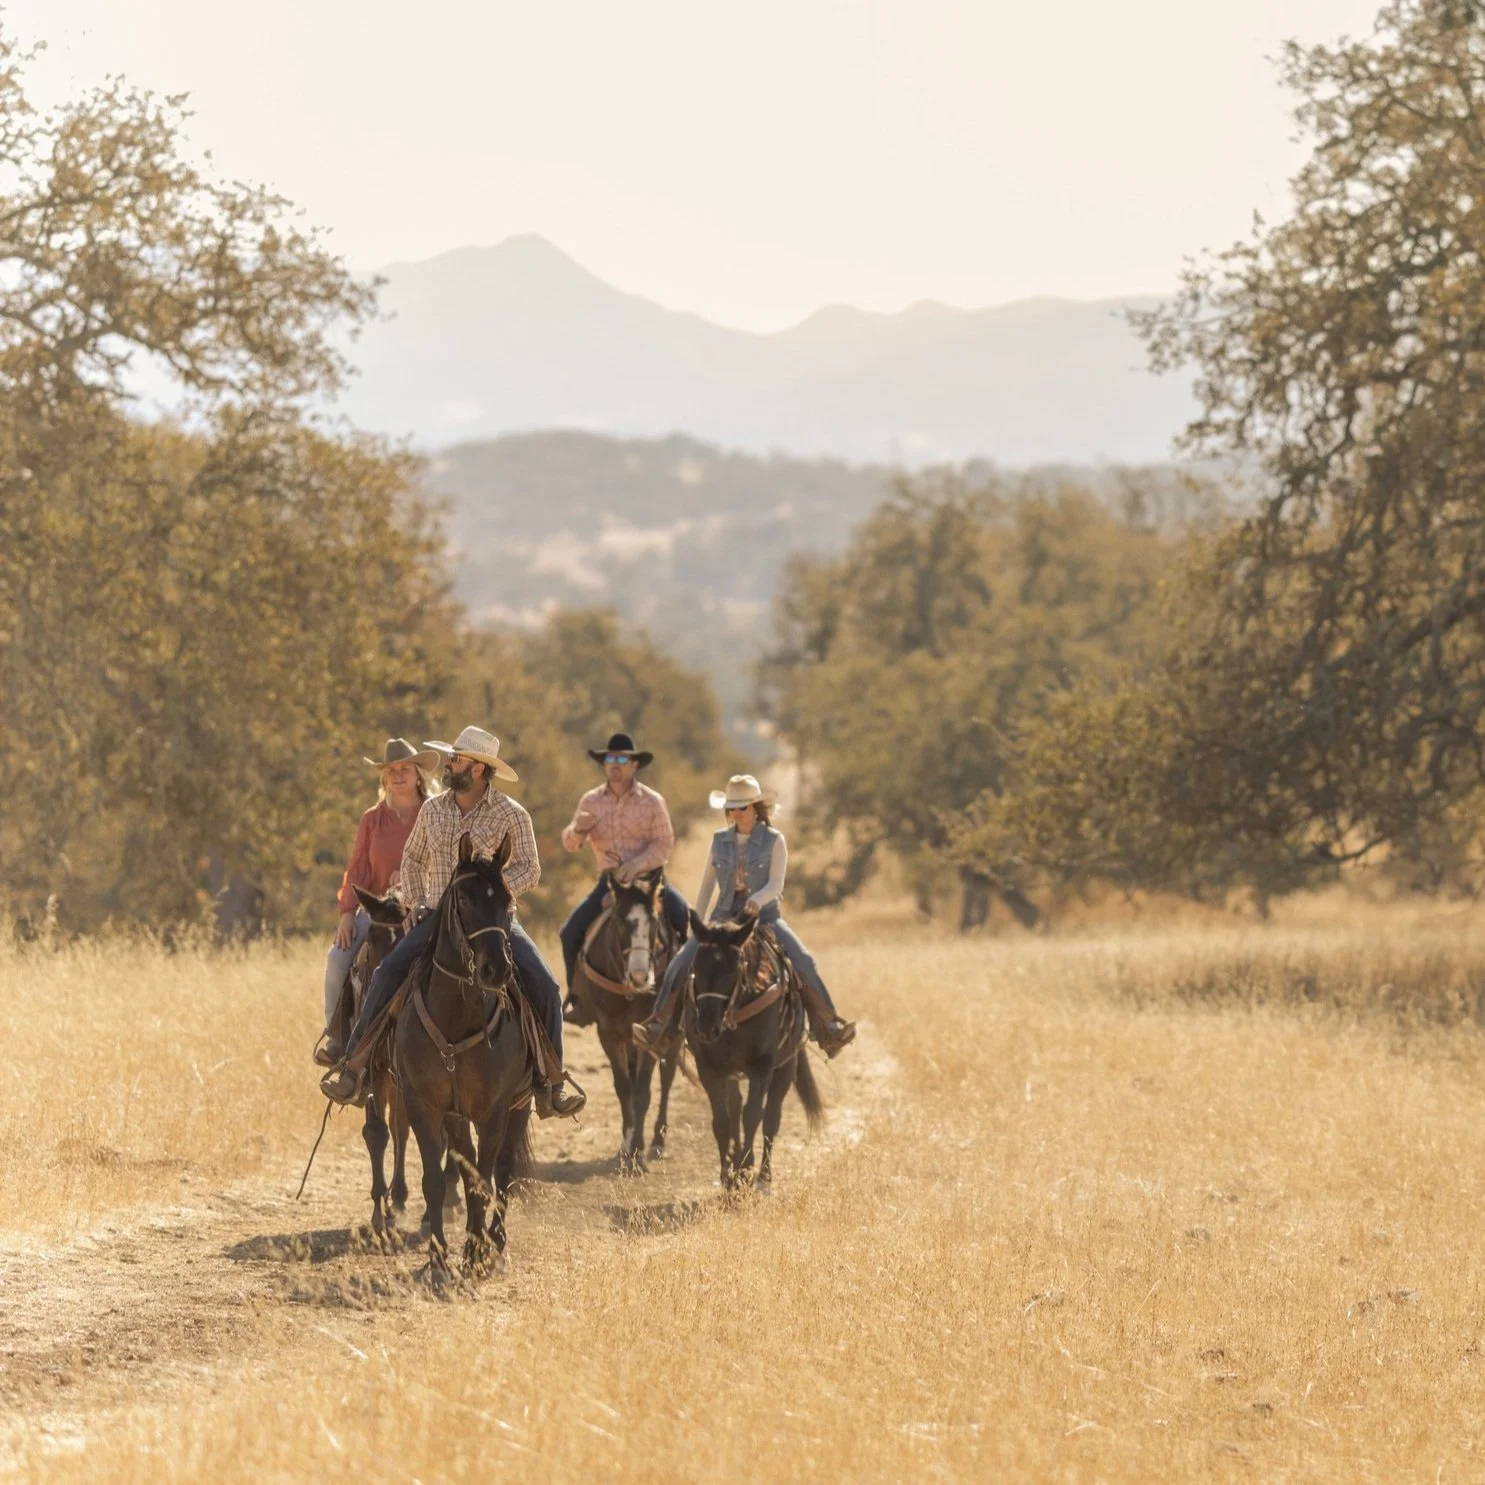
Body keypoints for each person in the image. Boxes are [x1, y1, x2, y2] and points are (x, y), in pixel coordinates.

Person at [319, 726, 586, 1119]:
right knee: (386, 973)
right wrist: (415, 904)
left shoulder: (511, 814)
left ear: (478, 769)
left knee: (544, 984)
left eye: (456, 759)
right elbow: (412, 860)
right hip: (436, 918)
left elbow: (530, 868)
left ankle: (552, 1081)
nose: (449, 764)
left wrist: (492, 892)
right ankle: (354, 1068)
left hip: (493, 923)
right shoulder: (434, 809)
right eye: (451, 757)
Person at [634, 774, 855, 1058]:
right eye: (732, 807)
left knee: (803, 960)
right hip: (721, 918)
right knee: (680, 962)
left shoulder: (775, 840)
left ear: (755, 808)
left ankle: (828, 1027)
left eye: (742, 807)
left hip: (765, 917)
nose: (735, 813)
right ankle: (658, 1026)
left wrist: (757, 899)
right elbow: (706, 887)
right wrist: (696, 925)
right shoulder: (719, 841)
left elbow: (776, 883)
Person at [316, 737, 440, 1067]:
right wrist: (346, 913)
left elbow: (447, 861)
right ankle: (337, 1039)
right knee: (338, 958)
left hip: (425, 907)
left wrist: (415, 880)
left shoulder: (437, 812)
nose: (398, 775)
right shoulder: (372, 818)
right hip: (379, 911)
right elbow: (357, 868)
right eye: (391, 770)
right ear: (384, 778)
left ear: (418, 774)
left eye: (405, 769)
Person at [557, 731, 689, 1025]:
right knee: (570, 933)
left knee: (685, 924)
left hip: (650, 884)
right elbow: (570, 843)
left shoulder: (653, 801)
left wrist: (637, 864)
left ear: (634, 765)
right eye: (609, 759)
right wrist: (578, 830)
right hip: (610, 884)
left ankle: (685, 1001)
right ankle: (579, 1001)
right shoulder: (590, 801)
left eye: (621, 759)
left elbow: (664, 843)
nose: (614, 764)